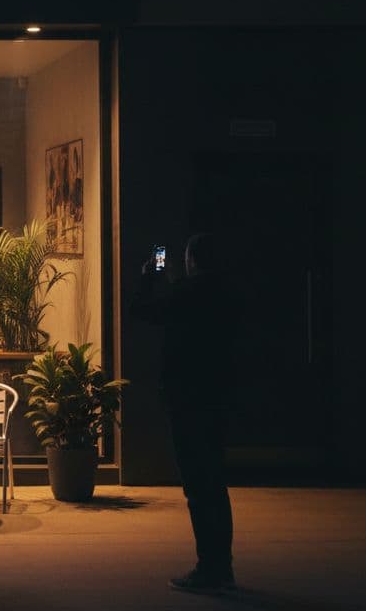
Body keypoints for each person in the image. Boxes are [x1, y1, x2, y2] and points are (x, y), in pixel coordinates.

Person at [132, 233, 237, 594]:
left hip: (188, 400)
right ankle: (220, 565)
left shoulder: (187, 295)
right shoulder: (223, 295)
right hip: (216, 399)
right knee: (214, 484)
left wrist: (149, 278)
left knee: (198, 486)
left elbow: (142, 312)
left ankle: (210, 568)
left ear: (192, 260)